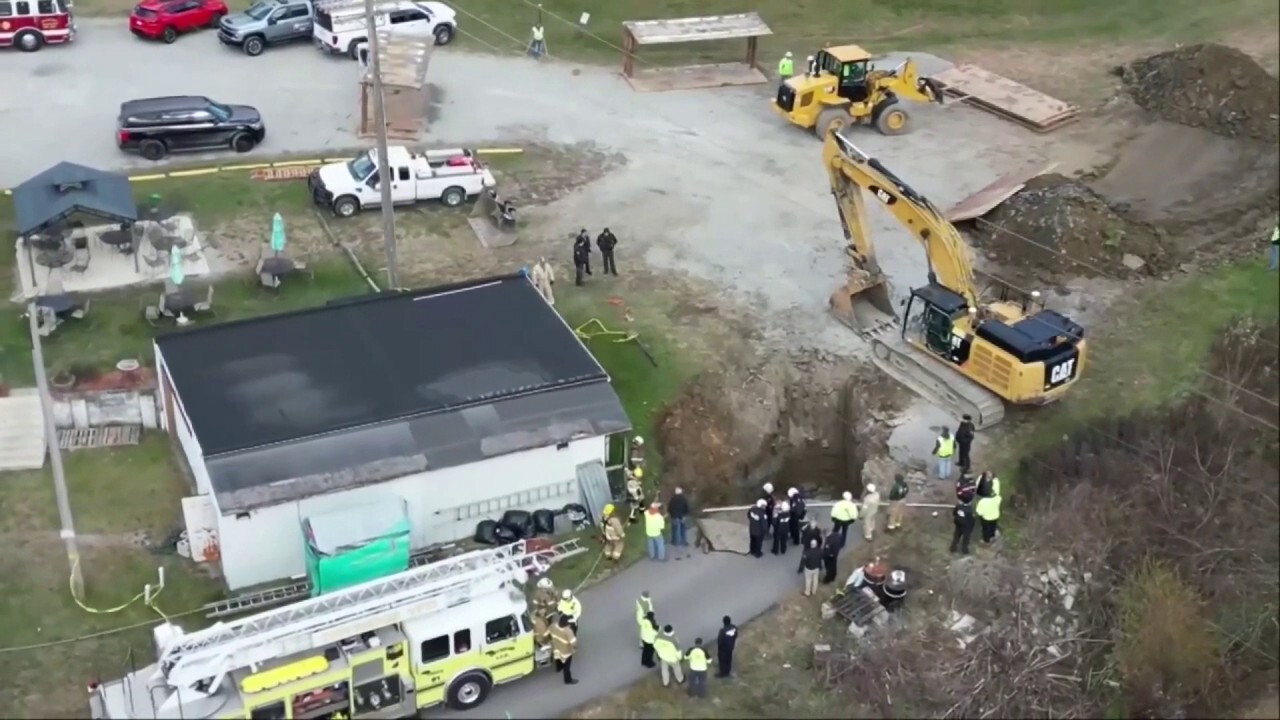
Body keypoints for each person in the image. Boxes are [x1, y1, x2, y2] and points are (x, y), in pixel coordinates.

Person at [550, 614, 579, 684]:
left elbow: (549, 632)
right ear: (567, 624)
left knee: (557, 657)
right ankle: (568, 680)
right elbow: (573, 643)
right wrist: (574, 648)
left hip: (556, 647)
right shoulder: (568, 631)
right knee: (567, 666)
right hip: (566, 651)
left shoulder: (554, 625)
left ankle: (558, 668)